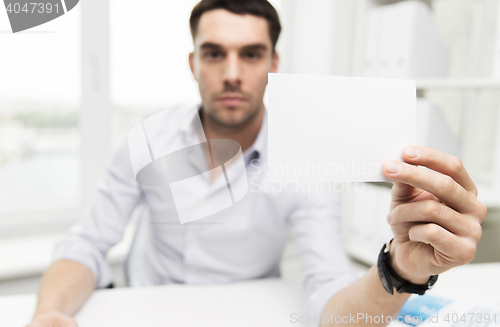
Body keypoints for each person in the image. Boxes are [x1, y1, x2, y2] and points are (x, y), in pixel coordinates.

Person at [27, 0, 486, 326]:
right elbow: (88, 243)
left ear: (273, 63)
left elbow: (331, 300)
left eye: (250, 54)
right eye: (214, 53)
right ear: (193, 63)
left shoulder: (306, 162)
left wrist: (400, 269)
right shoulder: (146, 140)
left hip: (245, 311)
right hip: (151, 306)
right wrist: (49, 312)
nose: (231, 72)